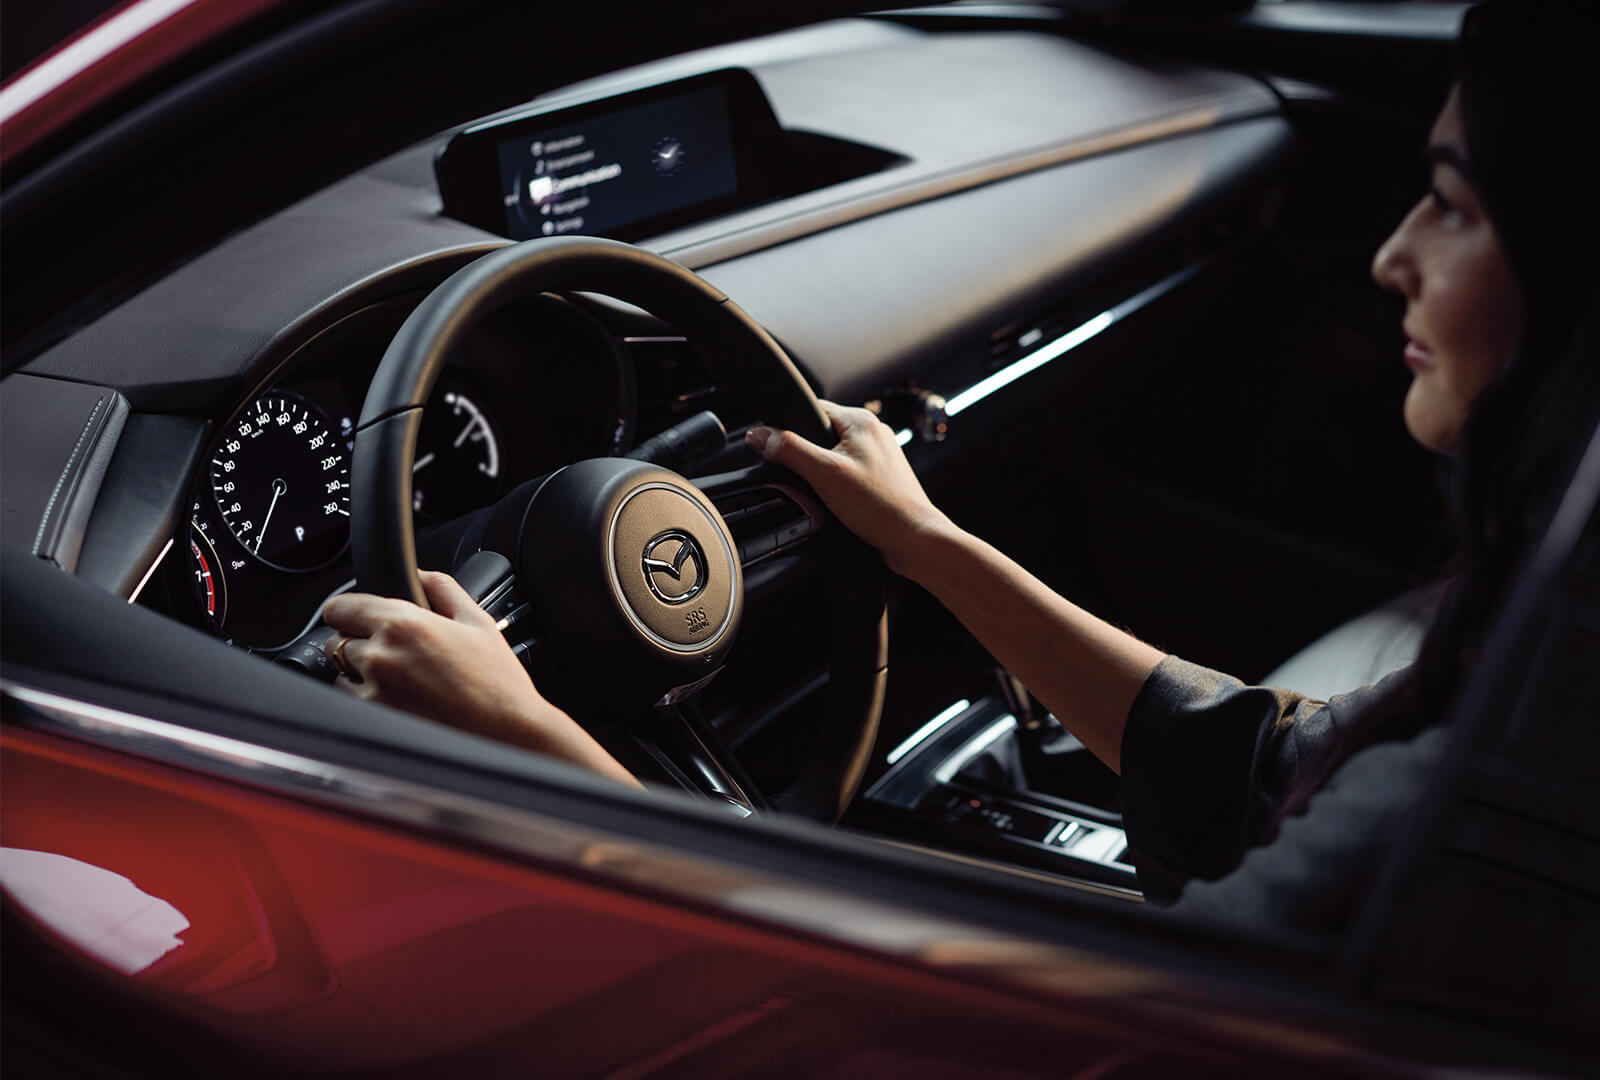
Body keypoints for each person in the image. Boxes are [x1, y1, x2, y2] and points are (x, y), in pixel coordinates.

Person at [321, 2, 1600, 931]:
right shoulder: (1540, 651)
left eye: (1451, 205)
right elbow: (1252, 764)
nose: (1390, 256)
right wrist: (925, 543)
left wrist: (525, 742)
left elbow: (899, 1015)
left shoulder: (1461, 830)